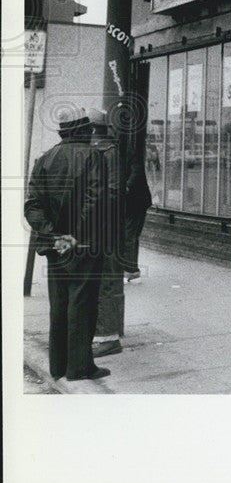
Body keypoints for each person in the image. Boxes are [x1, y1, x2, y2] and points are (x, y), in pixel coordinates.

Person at [24, 106, 111, 381]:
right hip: (83, 245)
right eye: (89, 130)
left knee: (59, 303)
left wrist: (55, 236)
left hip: (55, 247)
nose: (91, 134)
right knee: (82, 304)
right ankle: (79, 367)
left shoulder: (44, 159)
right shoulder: (93, 157)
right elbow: (95, 201)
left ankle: (58, 365)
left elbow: (32, 207)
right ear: (83, 131)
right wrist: (75, 236)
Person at [90, 108, 125, 358]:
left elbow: (112, 192)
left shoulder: (107, 153)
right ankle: (104, 333)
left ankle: (109, 337)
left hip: (104, 227)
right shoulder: (103, 151)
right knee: (101, 281)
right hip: (101, 225)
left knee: (106, 282)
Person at [120, 103, 152, 282]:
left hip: (136, 200)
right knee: (127, 234)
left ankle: (131, 270)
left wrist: (125, 187)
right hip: (129, 200)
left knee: (129, 235)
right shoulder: (121, 150)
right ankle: (129, 268)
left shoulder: (128, 151)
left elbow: (137, 171)